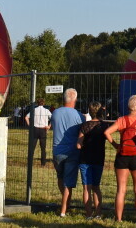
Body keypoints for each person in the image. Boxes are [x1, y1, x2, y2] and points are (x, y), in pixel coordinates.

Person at [104, 94, 136, 222]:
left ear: (128, 107)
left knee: (121, 190)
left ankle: (118, 219)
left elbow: (106, 132)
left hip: (122, 156)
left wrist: (116, 145)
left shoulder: (121, 120)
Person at [52, 88, 84, 216]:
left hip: (57, 150)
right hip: (72, 151)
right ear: (74, 100)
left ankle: (66, 202)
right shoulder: (79, 116)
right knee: (68, 182)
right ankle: (65, 207)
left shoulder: (55, 113)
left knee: (60, 177)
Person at [77, 101, 112, 218]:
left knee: (87, 188)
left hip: (85, 159)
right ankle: (98, 213)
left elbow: (78, 144)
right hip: (98, 159)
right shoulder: (104, 126)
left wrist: (81, 145)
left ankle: (88, 214)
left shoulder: (85, 126)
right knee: (96, 187)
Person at [25, 98, 52, 166]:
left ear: (37, 103)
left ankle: (30, 162)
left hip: (35, 129)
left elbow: (26, 117)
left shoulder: (34, 110)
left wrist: (30, 126)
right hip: (43, 129)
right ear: (43, 103)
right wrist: (49, 126)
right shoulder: (46, 111)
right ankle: (43, 163)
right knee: (43, 148)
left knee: (32, 147)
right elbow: (53, 118)